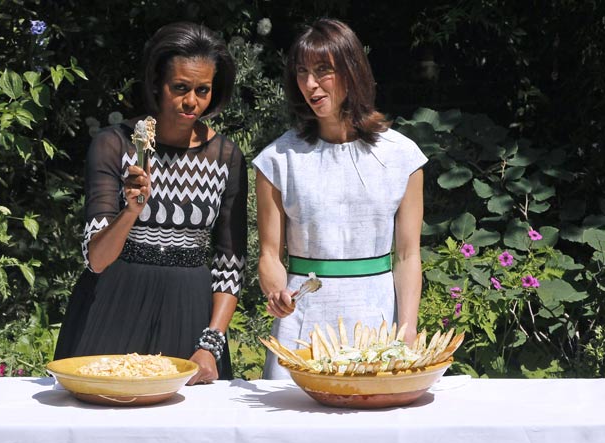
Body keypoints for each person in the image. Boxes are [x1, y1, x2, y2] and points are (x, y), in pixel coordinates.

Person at [54, 22, 247, 385]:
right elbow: (96, 259)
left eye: (202, 90)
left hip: (189, 313)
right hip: (112, 304)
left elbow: (229, 264)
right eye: (180, 88)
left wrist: (211, 343)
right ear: (158, 83)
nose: (192, 101)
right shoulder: (115, 145)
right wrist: (131, 211)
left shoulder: (227, 157)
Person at [253, 18, 427, 379]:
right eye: (302, 72)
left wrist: (407, 328)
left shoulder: (402, 156)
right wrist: (275, 291)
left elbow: (409, 255)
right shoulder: (277, 160)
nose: (310, 84)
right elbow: (270, 254)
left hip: (377, 323)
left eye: (322, 71)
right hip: (302, 326)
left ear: (351, 72)